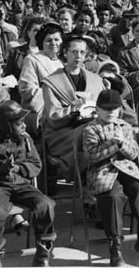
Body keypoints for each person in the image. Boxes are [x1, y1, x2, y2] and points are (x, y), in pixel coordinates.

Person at [0, 101, 56, 267]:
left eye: (23, 122)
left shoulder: (26, 140)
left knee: (45, 204)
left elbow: (36, 164)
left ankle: (43, 251)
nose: (24, 125)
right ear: (5, 126)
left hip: (22, 184)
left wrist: (18, 168)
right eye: (18, 123)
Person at [83, 89, 139, 266]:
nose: (110, 112)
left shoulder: (125, 126)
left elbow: (134, 153)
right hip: (102, 171)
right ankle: (115, 247)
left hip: (126, 169)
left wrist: (123, 143)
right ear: (97, 109)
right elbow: (92, 156)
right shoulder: (91, 129)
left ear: (119, 110)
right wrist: (114, 144)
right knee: (113, 197)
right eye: (106, 109)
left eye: (114, 109)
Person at [42, 35, 106, 178]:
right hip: (62, 132)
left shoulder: (96, 80)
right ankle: (91, 178)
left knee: (110, 131)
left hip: (93, 127)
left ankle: (100, 176)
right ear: (65, 53)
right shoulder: (51, 82)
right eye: (74, 52)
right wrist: (74, 109)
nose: (78, 56)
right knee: (93, 133)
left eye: (82, 52)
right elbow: (53, 118)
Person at [18, 23, 64, 133]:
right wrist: (54, 101)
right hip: (43, 110)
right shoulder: (32, 60)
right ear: (42, 43)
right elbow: (27, 89)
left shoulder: (65, 61)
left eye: (56, 40)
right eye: (49, 40)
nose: (53, 43)